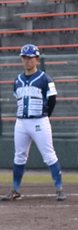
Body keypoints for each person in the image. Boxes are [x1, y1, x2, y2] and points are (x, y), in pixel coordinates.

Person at [2, 44, 66, 202]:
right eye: (24, 58)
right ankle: (15, 189)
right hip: (22, 123)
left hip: (39, 120)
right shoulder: (18, 79)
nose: (27, 61)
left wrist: (45, 116)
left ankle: (59, 188)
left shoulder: (45, 78)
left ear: (37, 59)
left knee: (49, 155)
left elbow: (52, 100)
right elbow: (17, 96)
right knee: (19, 156)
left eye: (30, 58)